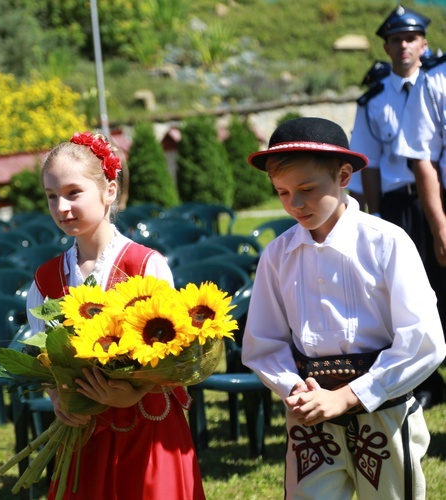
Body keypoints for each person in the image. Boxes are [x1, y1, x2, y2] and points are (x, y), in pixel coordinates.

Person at [241, 117, 446, 499]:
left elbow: (423, 339)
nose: (295, 204)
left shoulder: (387, 242)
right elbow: (263, 341)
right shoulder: (277, 255)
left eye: (306, 189)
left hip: (382, 409)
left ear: (344, 176)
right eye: (283, 192)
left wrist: (349, 396)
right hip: (309, 410)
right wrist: (295, 389)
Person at [25, 131, 204, 499]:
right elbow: (44, 356)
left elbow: (173, 356)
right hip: (83, 433)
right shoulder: (46, 279)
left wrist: (133, 392)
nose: (61, 207)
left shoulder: (145, 266)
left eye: (74, 193)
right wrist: (58, 397)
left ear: (109, 191)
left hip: (146, 429)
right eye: (51, 196)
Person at [349, 4, 445, 409]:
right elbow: (366, 163)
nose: (404, 45)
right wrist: (375, 217)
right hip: (399, 204)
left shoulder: (438, 82)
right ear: (386, 47)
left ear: (424, 42)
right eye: (395, 39)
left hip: (438, 197)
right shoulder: (373, 99)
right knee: (409, 292)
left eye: (411, 38)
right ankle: (424, 380)